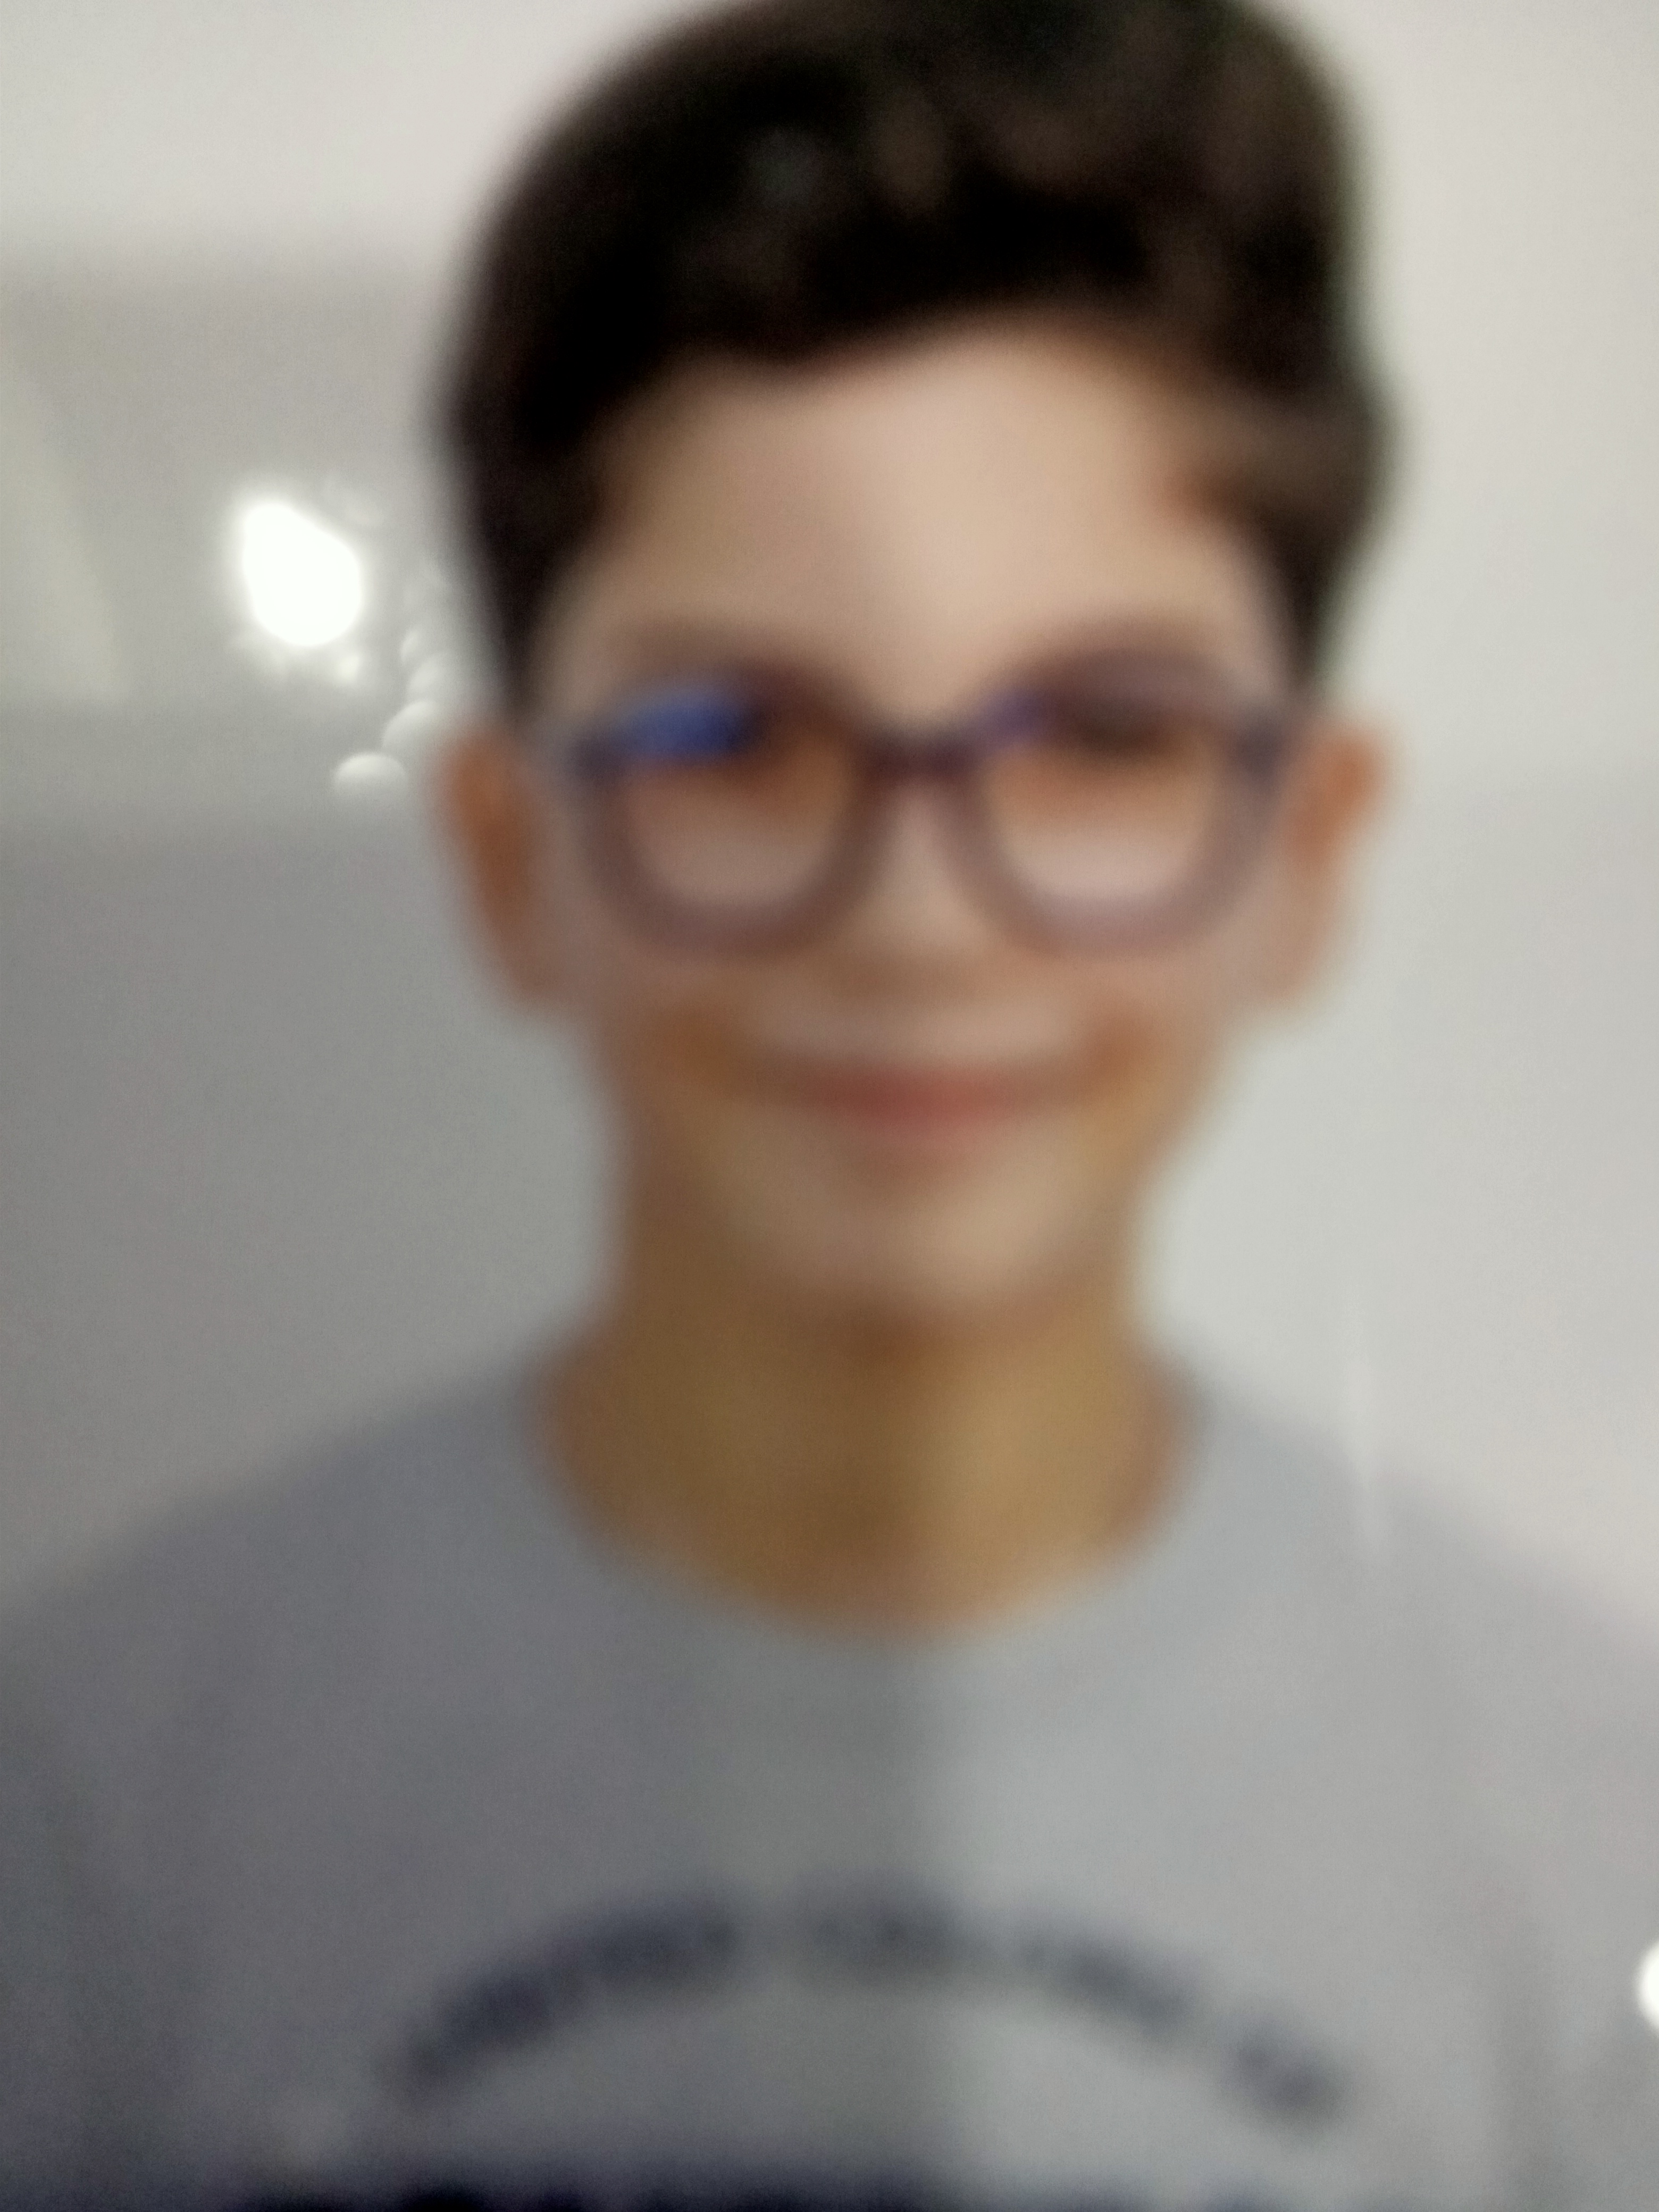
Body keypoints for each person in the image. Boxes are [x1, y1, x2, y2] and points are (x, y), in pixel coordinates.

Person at [2, 2, 1655, 2207]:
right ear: (508, 857)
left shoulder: (1580, 1832)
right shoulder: (101, 1803)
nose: (913, 921)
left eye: (1103, 735)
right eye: (727, 739)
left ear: (1311, 850)